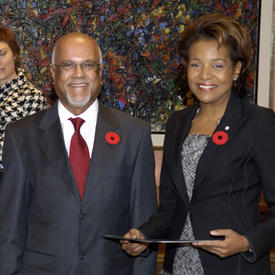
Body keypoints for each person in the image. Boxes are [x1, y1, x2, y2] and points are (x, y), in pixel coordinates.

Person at [122, 13, 275, 275]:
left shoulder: (258, 122)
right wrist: (143, 234)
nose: (205, 75)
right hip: (177, 267)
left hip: (233, 267)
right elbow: (171, 207)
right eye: (196, 64)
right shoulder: (177, 123)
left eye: (217, 66)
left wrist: (247, 242)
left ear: (236, 69)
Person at [0, 32, 157, 275]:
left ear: (101, 72)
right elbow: (9, 230)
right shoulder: (21, 136)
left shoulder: (134, 134)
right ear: (53, 73)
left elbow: (144, 229)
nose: (78, 74)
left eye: (88, 65)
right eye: (67, 65)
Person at [0, 26, 46, 179]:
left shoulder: (32, 97)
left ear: (14, 54)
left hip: (10, 182)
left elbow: (28, 151)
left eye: (2, 53)